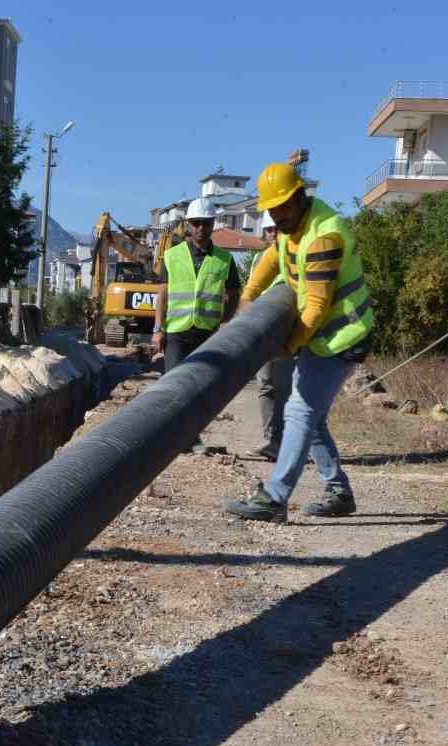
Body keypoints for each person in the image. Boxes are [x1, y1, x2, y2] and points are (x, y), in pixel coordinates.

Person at [224, 162, 373, 523]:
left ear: (300, 196)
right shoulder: (292, 226)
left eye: (282, 206)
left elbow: (318, 305)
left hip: (341, 336)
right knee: (312, 416)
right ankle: (338, 490)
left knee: (299, 411)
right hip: (322, 334)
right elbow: (275, 256)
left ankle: (275, 498)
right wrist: (249, 296)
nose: (277, 214)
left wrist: (287, 346)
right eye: (271, 208)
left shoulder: (324, 234)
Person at [151, 197, 241, 374]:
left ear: (213, 224)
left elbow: (234, 293)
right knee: (174, 385)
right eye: (196, 223)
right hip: (177, 334)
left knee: (203, 386)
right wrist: (158, 330)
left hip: (209, 334)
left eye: (206, 223)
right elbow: (162, 295)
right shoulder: (171, 256)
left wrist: (225, 323)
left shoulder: (225, 259)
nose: (201, 228)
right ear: (188, 225)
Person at [243, 214, 293, 462]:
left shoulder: (293, 256)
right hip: (265, 331)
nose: (273, 233)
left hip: (289, 330)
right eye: (269, 230)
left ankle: (290, 444)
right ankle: (272, 440)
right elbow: (252, 292)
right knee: (267, 385)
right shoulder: (259, 259)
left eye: (277, 228)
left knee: (287, 387)